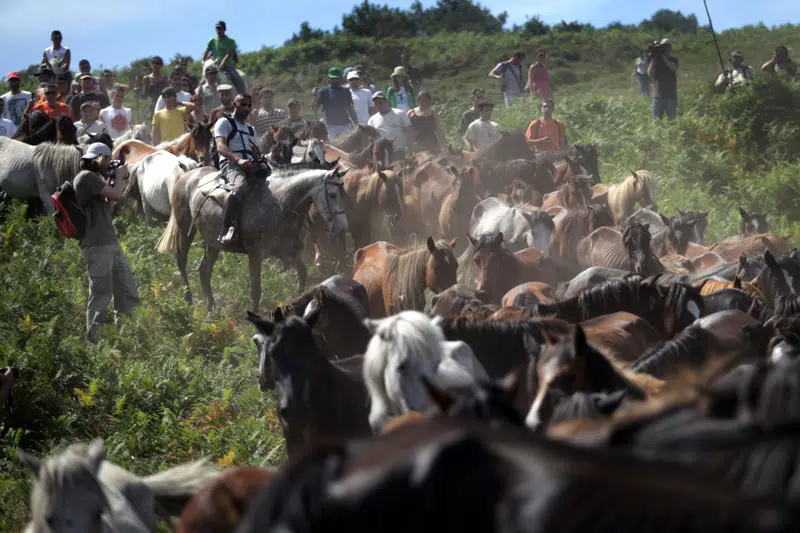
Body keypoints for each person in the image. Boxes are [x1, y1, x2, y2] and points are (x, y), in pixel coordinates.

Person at [73, 142, 139, 343]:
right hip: (96, 245)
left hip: (109, 242)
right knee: (101, 294)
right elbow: (118, 194)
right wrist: (118, 177)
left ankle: (127, 336)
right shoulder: (86, 178)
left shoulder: (97, 179)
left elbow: (110, 208)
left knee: (127, 289)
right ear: (99, 159)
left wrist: (112, 180)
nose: (111, 163)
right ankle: (94, 342)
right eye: (108, 159)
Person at [215, 94, 260, 245]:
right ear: (235, 104)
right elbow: (220, 147)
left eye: (249, 105)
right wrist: (238, 160)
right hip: (231, 164)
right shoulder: (224, 122)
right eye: (243, 105)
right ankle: (225, 228)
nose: (246, 108)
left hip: (250, 163)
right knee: (240, 188)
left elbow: (255, 151)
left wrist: (262, 159)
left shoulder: (251, 129)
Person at [367, 91, 414, 161]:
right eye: (376, 104)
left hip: (400, 151)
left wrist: (410, 148)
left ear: (387, 102)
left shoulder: (399, 114)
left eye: (381, 103)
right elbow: (371, 140)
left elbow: (410, 132)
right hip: (382, 156)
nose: (379, 105)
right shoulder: (372, 120)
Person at [314, 67, 358, 140]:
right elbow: (315, 108)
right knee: (332, 148)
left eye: (336, 78)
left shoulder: (346, 91)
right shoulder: (324, 91)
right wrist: (315, 96)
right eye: (333, 78)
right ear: (329, 78)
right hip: (330, 126)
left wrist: (357, 124)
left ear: (340, 78)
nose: (335, 80)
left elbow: (351, 110)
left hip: (345, 125)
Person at [204, 21, 246, 96]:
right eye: (217, 28)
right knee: (204, 78)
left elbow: (229, 54)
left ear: (224, 29)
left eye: (220, 28)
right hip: (215, 65)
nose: (218, 30)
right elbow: (207, 51)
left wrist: (222, 63)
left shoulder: (230, 41)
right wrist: (204, 61)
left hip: (228, 66)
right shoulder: (212, 41)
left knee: (237, 78)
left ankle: (243, 95)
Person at [647, 38, 679, 122]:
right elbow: (650, 73)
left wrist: (664, 58)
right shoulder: (656, 61)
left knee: (672, 120)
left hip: (670, 95)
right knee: (656, 121)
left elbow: (673, 68)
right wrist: (654, 57)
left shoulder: (673, 59)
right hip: (658, 95)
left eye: (666, 47)